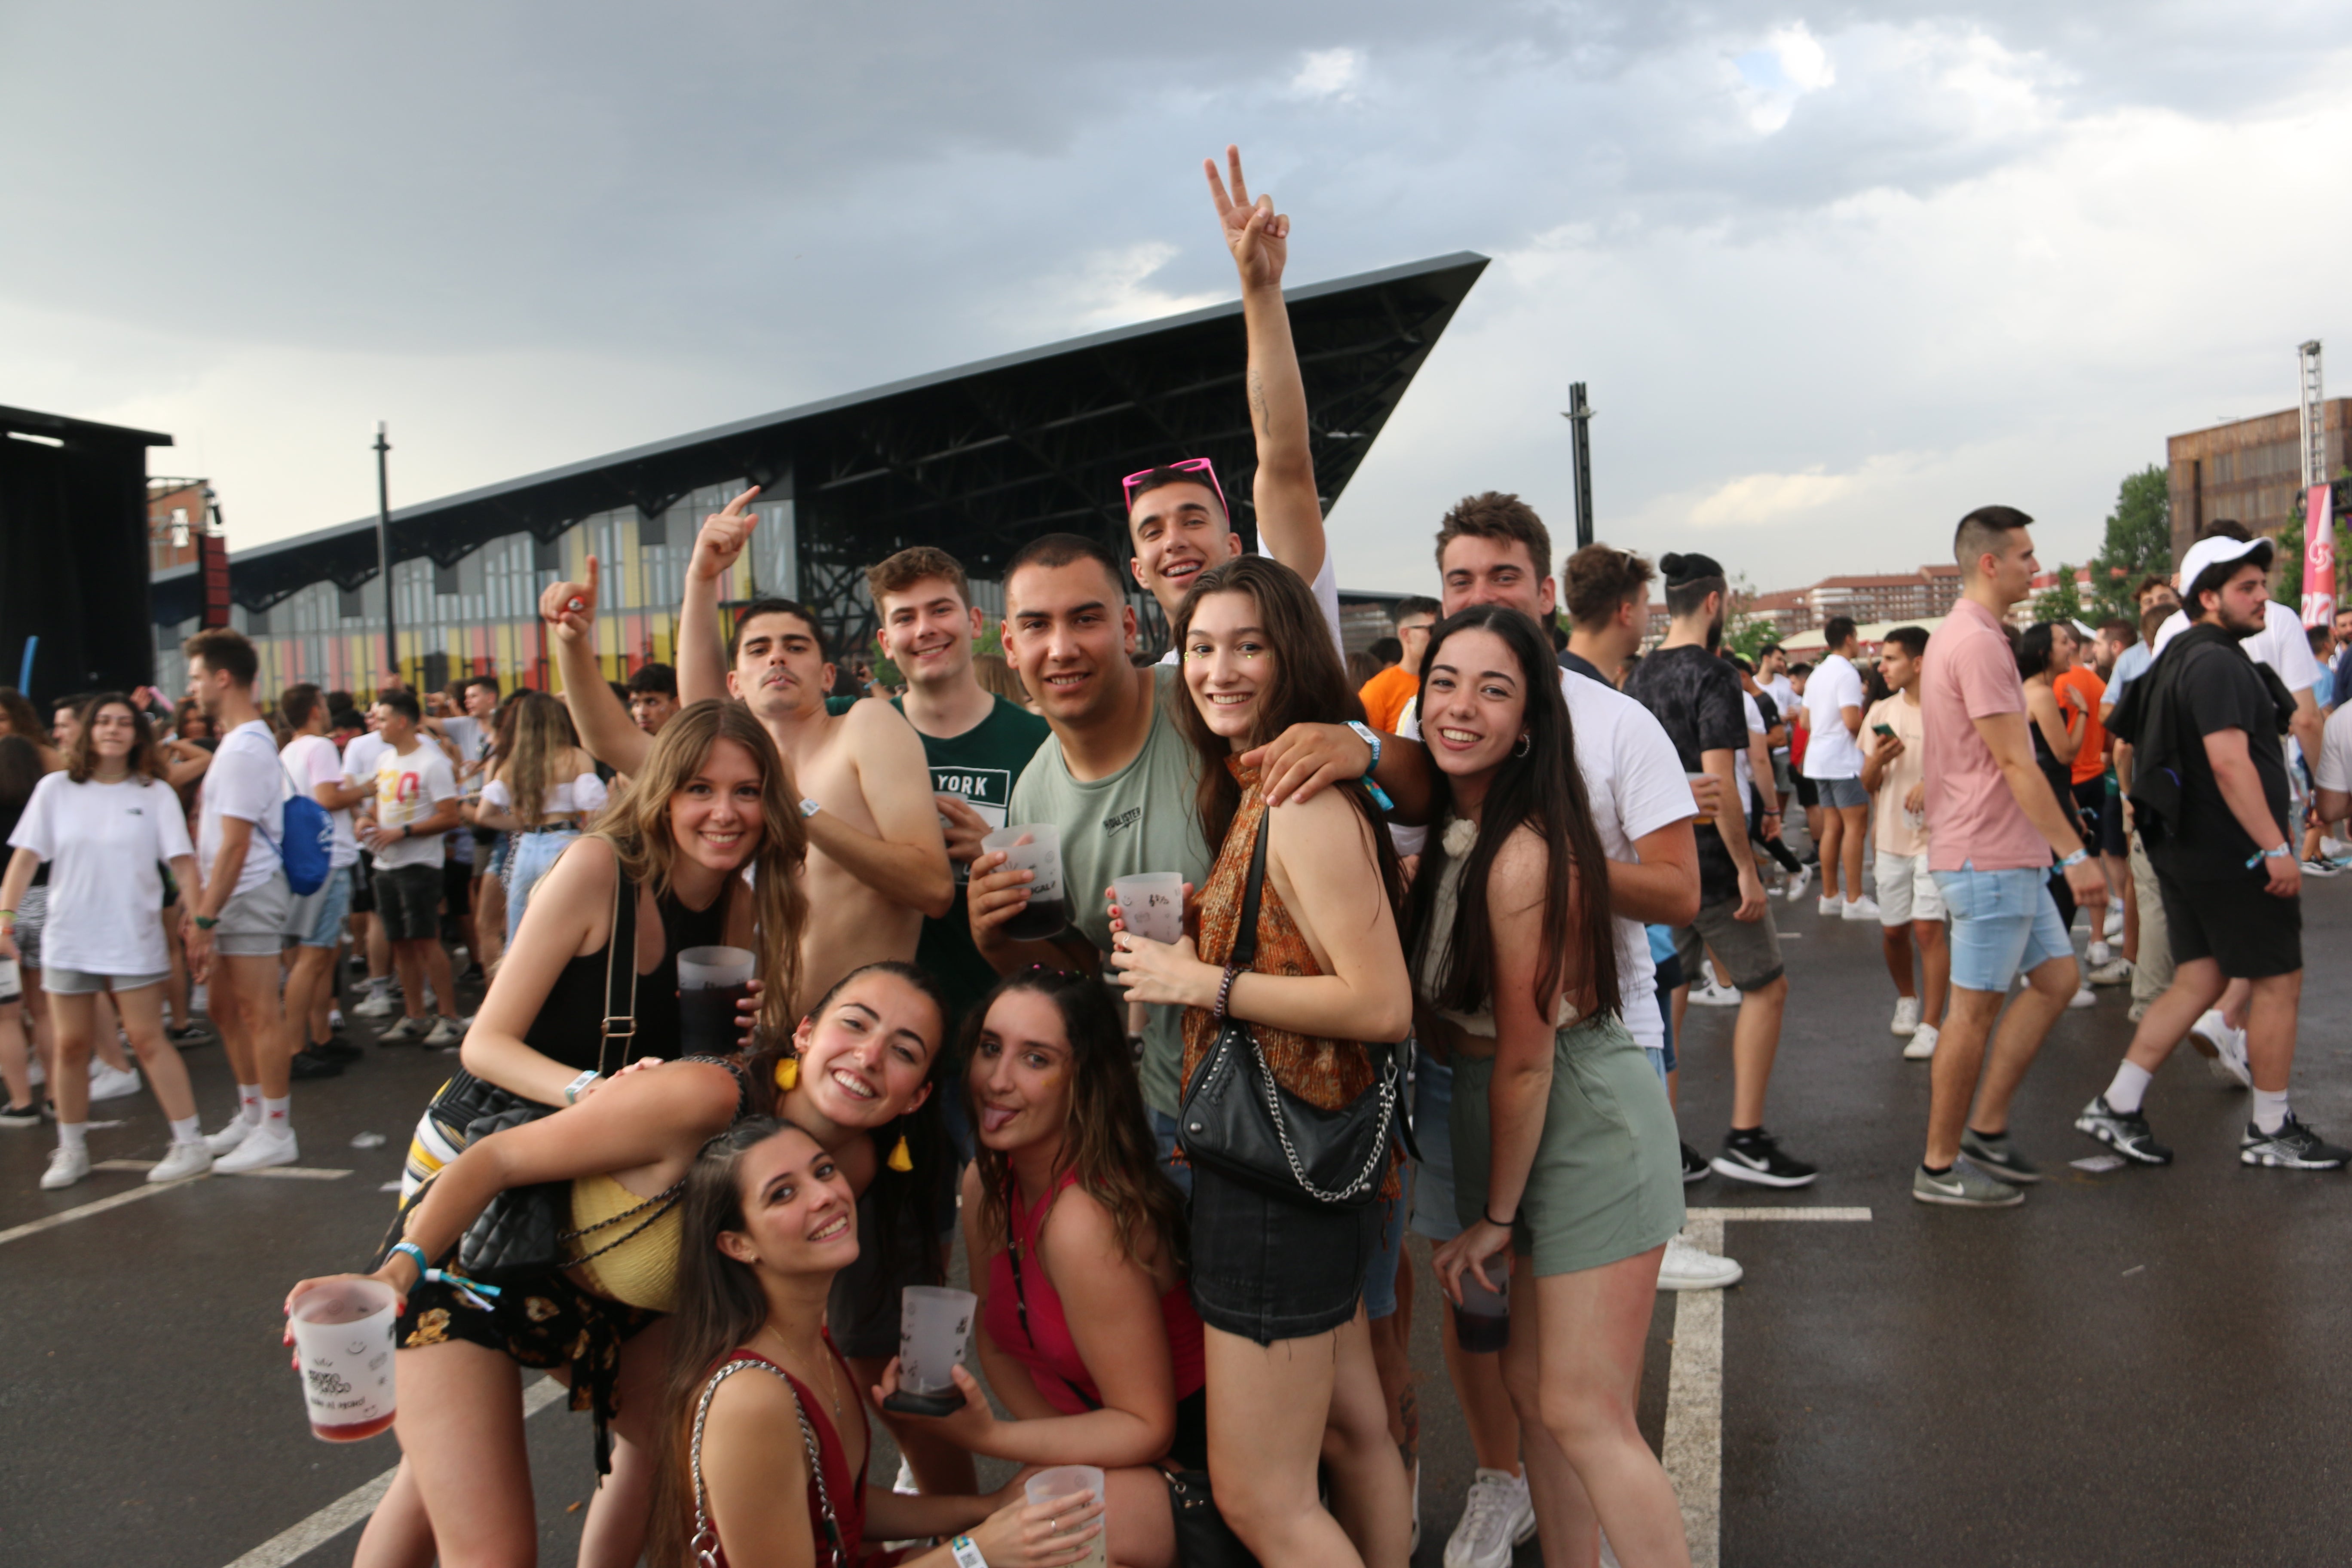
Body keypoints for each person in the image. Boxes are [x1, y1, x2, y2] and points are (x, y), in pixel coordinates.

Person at [1108, 552, 1414, 1568]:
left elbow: (1379, 1004)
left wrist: (1204, 986)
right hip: (1307, 1164)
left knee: (1260, 1498)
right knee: (1353, 1433)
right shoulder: (1269, 781)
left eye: (1248, 645)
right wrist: (1198, 951)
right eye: (1199, 647)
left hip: (1272, 1173)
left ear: (1293, 656)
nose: (1219, 668)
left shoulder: (1300, 800)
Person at [1413, 605, 1691, 1568]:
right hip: (1522, 1116)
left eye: (1494, 690)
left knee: (1584, 1407)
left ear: (1530, 723)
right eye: (1444, 682)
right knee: (1535, 1392)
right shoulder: (1459, 831)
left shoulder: (1525, 850)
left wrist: (1492, 1215)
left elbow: (1529, 1059)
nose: (1461, 707)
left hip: (1580, 1118)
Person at [648, 1119, 1098, 1568]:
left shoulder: (807, 1341)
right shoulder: (750, 1399)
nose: (825, 1195)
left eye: (823, 1171)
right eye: (782, 1193)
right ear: (738, 1245)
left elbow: (842, 1508)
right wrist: (976, 1552)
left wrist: (990, 1507)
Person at [880, 968, 1207, 1568]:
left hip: (1196, 1481)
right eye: (989, 1048)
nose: (997, 1081)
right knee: (998, 1529)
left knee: (1003, 1548)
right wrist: (1056, 1457)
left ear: (1083, 1081)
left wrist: (992, 1440)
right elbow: (1000, 1348)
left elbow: (1148, 1427)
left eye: (1035, 1059)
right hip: (1113, 1457)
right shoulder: (986, 1182)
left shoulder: (1086, 1218)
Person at [548, 543, 954, 1013]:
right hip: (752, 1046)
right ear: (736, 684)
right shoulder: (734, 770)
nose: (777, 658)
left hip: (854, 1048)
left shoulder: (866, 725)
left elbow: (933, 888)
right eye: (759, 650)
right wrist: (572, 642)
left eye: (795, 647)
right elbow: (610, 741)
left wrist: (799, 806)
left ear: (827, 676)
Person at [2086, 532, 2346, 1170]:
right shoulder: (2218, 663)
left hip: (2188, 848)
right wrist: (2275, 847)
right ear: (2208, 597)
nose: (2264, 598)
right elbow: (2230, 764)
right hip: (2233, 852)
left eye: (2263, 584)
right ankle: (2270, 1128)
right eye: (2247, 588)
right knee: (2279, 980)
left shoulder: (2179, 656)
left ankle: (2118, 1105)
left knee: (2200, 977)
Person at [1914, 508, 2107, 1207]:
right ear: (1988, 563)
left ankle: (1985, 1128)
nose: (2037, 566)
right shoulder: (1978, 643)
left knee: (2056, 979)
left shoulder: (1966, 634)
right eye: (2025, 555)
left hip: (2000, 853)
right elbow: (2014, 761)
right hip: (1989, 857)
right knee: (1970, 1015)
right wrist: (2077, 855)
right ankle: (1938, 1166)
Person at [1626, 554, 1814, 1188]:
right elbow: (1719, 781)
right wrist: (1747, 869)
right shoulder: (1713, 675)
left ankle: (1662, 1140)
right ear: (1715, 602)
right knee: (1766, 986)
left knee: (1668, 996)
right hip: (1707, 862)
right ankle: (1746, 1137)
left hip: (1651, 861)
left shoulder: (1639, 674)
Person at [1124, 147, 1343, 656]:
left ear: (1235, 547)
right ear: (1138, 571)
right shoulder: (1148, 696)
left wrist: (1261, 288)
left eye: (1194, 519)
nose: (1175, 540)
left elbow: (1285, 463)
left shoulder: (1287, 614)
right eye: (1152, 531)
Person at [0, 695, 208, 1188]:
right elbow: (25, 861)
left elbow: (183, 864)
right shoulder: (55, 789)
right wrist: (4, 919)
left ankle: (190, 1142)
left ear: (138, 735)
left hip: (131, 937)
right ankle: (71, 1150)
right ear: (88, 732)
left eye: (124, 723)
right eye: (104, 722)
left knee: (147, 1039)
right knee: (71, 1046)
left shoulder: (154, 792)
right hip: (68, 936)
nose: (113, 730)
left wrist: (200, 922)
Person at [865, 545, 1051, 1033]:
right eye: (906, 618)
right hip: (885, 1029)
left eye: (940, 609)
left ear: (973, 621)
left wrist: (995, 855)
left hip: (1003, 1022)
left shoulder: (1040, 742)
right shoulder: (855, 734)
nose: (925, 628)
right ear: (887, 642)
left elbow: (1074, 891)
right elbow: (724, 718)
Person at [181, 628, 303, 1172]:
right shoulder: (239, 742)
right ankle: (253, 1114)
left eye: (196, 676)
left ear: (222, 678)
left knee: (258, 1011)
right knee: (226, 1009)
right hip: (232, 894)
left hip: (248, 892)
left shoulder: (245, 748)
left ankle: (276, 1129)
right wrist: (205, 909)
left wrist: (205, 915)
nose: (192, 688)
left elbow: (234, 847)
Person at [358, 691, 467, 1048]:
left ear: (402, 721)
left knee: (425, 940)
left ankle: (449, 1017)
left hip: (419, 864)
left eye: (382, 718)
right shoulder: (386, 759)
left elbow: (450, 816)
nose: (376, 725)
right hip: (386, 863)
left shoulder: (431, 762)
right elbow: (378, 805)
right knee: (400, 942)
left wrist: (402, 832)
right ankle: (415, 1014)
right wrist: (365, 820)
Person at [1859, 627, 1947, 1062]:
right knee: (1895, 931)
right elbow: (1869, 784)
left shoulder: (1948, 710)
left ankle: (1931, 1023)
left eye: (1891, 659)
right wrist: (1879, 759)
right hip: (1891, 838)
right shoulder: (1881, 710)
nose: (1882, 667)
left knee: (1929, 928)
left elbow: (1971, 767)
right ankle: (1907, 998)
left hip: (1939, 839)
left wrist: (1932, 784)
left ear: (1918, 663)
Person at [279, 684, 365, 1080]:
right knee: (315, 956)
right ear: (316, 710)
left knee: (316, 956)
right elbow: (328, 798)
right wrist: (365, 789)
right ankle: (296, 1047)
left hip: (305, 858)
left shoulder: (288, 750)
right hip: (329, 855)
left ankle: (320, 1036)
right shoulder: (321, 747)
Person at [475, 689, 606, 943]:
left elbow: (484, 815)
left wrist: (523, 823)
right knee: (565, 929)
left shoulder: (514, 764)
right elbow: (594, 814)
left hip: (527, 848)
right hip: (564, 841)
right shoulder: (576, 757)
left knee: (519, 931)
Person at [1801, 616, 1876, 919]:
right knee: (1855, 829)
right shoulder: (1847, 673)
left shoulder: (1817, 673)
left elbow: (1805, 722)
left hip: (1818, 758)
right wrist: (1871, 733)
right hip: (1844, 760)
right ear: (1849, 638)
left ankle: (1831, 896)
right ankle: (1855, 899)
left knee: (1832, 827)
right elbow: (1851, 722)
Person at [0, 737, 43, 1126]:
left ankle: (21, 1103)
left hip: (5, 911)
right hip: (48, 904)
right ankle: (60, 1096)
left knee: (6, 1019)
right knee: (47, 1011)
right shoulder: (45, 801)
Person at [1360, 595, 1440, 732]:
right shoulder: (1378, 690)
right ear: (1406, 635)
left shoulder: (1453, 682)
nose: (1439, 635)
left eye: (1443, 627)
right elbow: (1368, 746)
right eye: (1432, 630)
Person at [627, 662, 681, 735]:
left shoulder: (692, 743)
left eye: (652, 703)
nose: (642, 712)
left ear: (676, 704)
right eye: (636, 704)